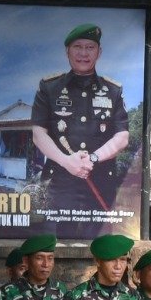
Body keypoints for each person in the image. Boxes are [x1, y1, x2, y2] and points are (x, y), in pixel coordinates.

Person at [31, 25, 130, 236]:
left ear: (99, 52)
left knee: (100, 247)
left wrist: (93, 158)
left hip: (99, 183)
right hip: (58, 185)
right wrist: (67, 161)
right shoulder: (49, 88)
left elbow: (122, 137)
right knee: (51, 246)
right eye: (77, 47)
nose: (83, 53)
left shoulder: (113, 91)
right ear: (67, 51)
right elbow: (39, 134)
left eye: (90, 47)